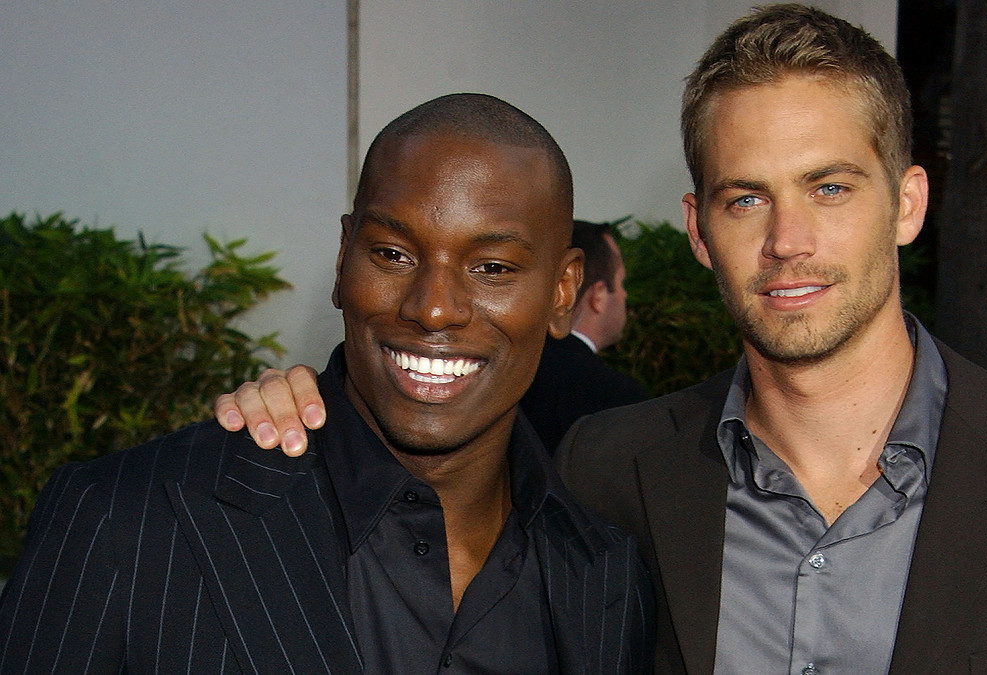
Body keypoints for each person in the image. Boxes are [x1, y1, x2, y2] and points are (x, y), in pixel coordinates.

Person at [214, 5, 987, 673]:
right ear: (698, 230)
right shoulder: (607, 471)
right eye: (746, 198)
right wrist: (309, 409)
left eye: (829, 186)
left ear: (907, 204)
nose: (788, 242)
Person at [0, 93, 653, 674]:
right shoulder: (126, 521)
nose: (432, 308)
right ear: (343, 258)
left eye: (491, 266)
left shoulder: (609, 576)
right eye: (393, 254)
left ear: (564, 292)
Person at [520, 219, 648, 450]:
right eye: (621, 283)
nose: (625, 296)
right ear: (598, 295)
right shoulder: (617, 397)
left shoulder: (504, 375)